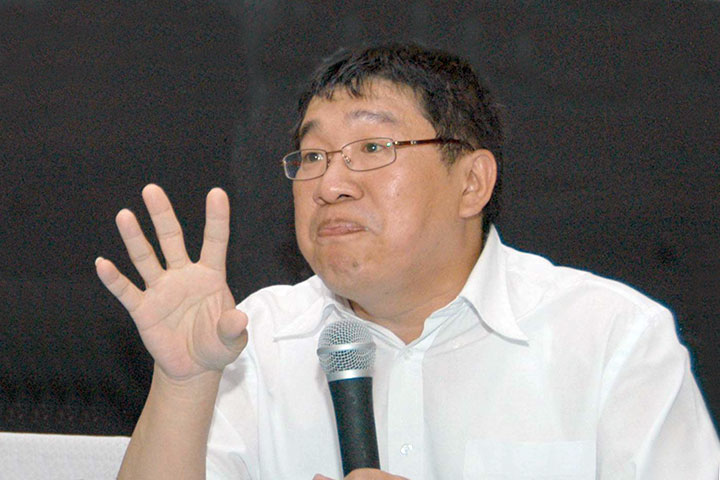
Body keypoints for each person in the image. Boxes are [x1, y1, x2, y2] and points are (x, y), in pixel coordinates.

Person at [95, 43, 719, 479]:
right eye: (312, 156)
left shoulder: (611, 338)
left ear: (471, 183)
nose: (330, 184)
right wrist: (183, 384)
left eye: (372, 147)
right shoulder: (252, 338)